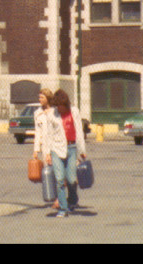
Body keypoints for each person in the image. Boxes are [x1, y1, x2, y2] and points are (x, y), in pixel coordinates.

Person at [45, 89, 87, 217]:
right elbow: (48, 135)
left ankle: (73, 200)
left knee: (71, 179)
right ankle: (63, 209)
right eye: (57, 106)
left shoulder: (74, 112)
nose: (59, 109)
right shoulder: (52, 114)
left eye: (61, 106)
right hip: (57, 149)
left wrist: (82, 150)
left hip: (72, 148)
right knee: (59, 179)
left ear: (66, 104)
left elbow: (79, 131)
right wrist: (47, 153)